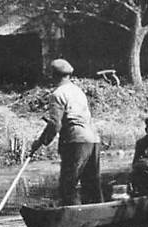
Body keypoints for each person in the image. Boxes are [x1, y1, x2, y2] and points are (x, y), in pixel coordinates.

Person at [29, 59, 103, 206]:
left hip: (76, 141)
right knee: (92, 184)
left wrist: (40, 142)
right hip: (93, 140)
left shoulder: (57, 95)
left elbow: (55, 125)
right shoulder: (78, 91)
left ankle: (71, 218)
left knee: (68, 184)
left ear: (53, 75)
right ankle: (98, 215)